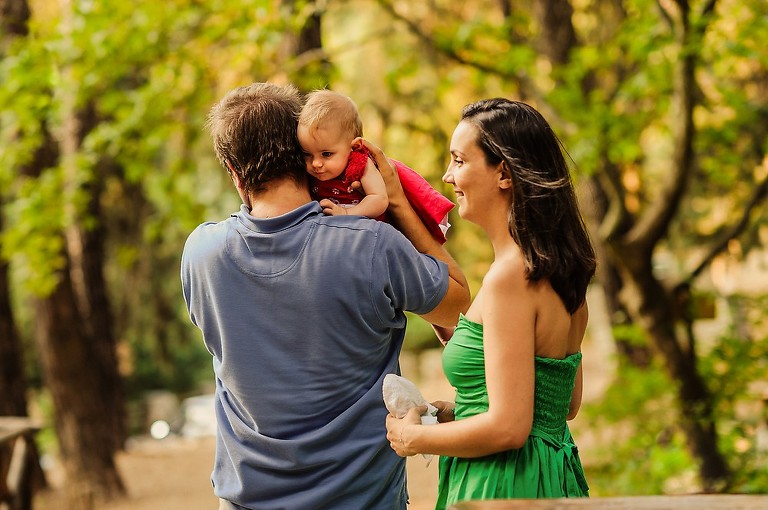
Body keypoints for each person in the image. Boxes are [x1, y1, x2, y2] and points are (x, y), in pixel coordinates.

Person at [180, 82, 470, 510]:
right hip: (363, 499)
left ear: (233, 171)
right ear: (303, 152)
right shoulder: (370, 245)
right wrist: (399, 204)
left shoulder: (201, 252)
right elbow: (459, 302)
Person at [377, 98, 597, 508]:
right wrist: (450, 412)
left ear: (504, 173)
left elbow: (509, 428)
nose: (447, 176)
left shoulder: (510, 279)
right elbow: (560, 404)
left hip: (502, 485)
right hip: (549, 477)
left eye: (459, 160)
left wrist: (413, 437)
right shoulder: (563, 269)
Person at [298, 89, 454, 243]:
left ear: (355, 146)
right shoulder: (310, 173)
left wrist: (346, 213)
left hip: (368, 236)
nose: (315, 164)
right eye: (307, 154)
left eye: (326, 154)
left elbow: (379, 199)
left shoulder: (360, 164)